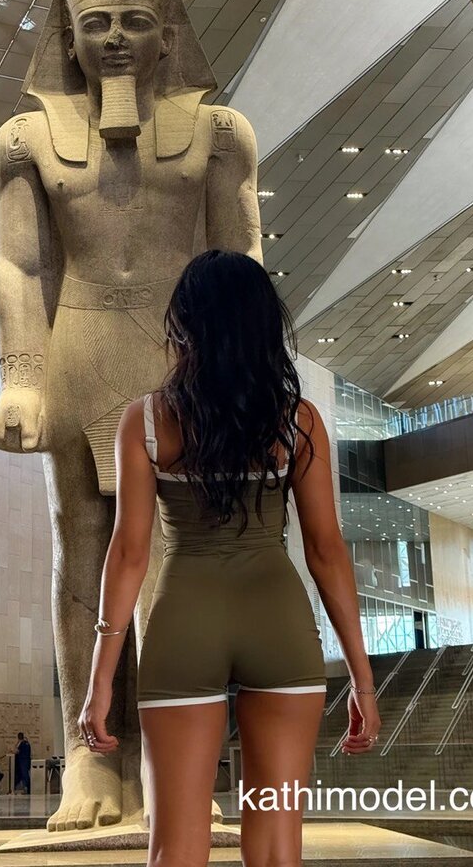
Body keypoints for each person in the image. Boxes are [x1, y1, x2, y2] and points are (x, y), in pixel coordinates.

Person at [78, 250, 380, 867]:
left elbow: (130, 553)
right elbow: (326, 551)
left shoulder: (146, 421)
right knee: (277, 848)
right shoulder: (298, 423)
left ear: (185, 325)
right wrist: (362, 678)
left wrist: (100, 677)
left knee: (176, 847)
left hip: (184, 625)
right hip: (279, 624)